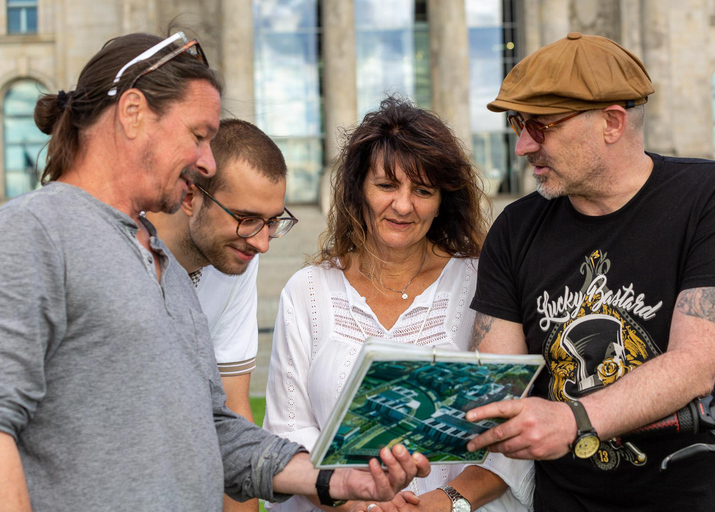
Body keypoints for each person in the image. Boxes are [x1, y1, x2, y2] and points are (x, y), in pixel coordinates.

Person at [0, 31, 428, 512]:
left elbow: (216, 431)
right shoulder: (32, 232)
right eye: (198, 136)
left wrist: (335, 479)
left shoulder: (165, 263)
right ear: (133, 113)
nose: (206, 161)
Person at [464, 32, 715, 511]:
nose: (522, 146)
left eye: (540, 126)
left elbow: (694, 365)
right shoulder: (514, 228)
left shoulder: (712, 196)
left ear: (611, 122)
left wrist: (573, 421)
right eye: (518, 124)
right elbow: (500, 386)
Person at [263, 96, 534, 512]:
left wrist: (444, 502)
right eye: (387, 185)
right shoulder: (308, 291)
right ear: (359, 188)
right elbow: (289, 428)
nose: (404, 206)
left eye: (423, 190)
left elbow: (511, 425)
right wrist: (356, 504)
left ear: (443, 200)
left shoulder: (483, 281)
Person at [146, 118, 298, 512]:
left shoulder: (237, 256)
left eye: (272, 222)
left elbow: (231, 410)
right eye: (246, 219)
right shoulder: (122, 248)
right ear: (190, 196)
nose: (262, 243)